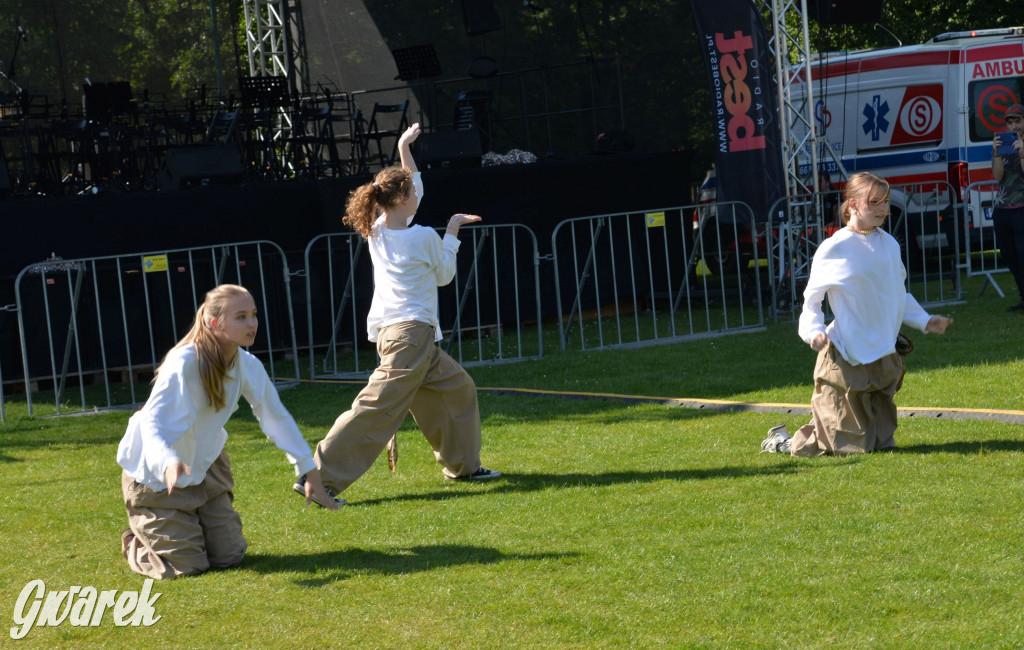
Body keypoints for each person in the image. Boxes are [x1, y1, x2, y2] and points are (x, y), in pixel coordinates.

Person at [294, 122, 499, 506]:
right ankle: (318, 477)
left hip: (398, 335)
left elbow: (411, 187)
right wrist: (452, 232)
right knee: (377, 407)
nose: (417, 195)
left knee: (459, 389)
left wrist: (404, 147)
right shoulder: (421, 235)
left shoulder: (376, 228)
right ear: (404, 199)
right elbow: (445, 276)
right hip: (412, 335)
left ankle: (464, 467)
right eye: (411, 192)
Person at [117, 284, 338, 580]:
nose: (252, 323)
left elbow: (275, 418)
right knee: (187, 567)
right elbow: (151, 422)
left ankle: (187, 526)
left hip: (206, 466)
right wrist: (168, 460)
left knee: (230, 556)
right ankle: (136, 539)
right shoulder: (183, 362)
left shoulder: (247, 365)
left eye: (254, 315)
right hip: (157, 476)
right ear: (214, 323)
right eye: (241, 316)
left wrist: (308, 470)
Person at [761, 172, 953, 457]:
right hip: (846, 354)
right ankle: (783, 442)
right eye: (874, 202)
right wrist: (813, 331)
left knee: (880, 444)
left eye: (885, 202)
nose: (882, 209)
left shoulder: (890, 244)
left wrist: (925, 320)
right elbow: (811, 302)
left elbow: (897, 294)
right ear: (852, 204)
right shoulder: (834, 247)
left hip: (884, 355)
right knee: (841, 446)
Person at [991, 102, 1024, 312]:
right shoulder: (1003, 143)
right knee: (1011, 256)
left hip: (1022, 207)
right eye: (1010, 122)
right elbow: (998, 176)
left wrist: (1022, 152)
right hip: (1003, 208)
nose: (1013, 126)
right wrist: (996, 153)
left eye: (1017, 121)